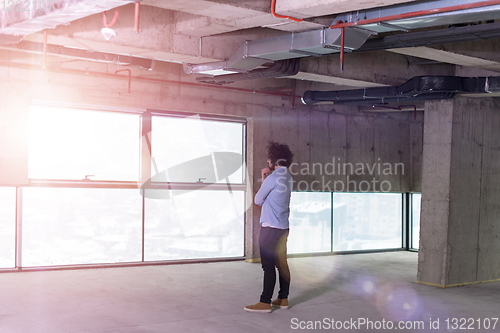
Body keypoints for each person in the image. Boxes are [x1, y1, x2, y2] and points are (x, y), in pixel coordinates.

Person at [244, 142, 294, 313]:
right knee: (282, 263)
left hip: (269, 230)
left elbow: (258, 200)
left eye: (269, 159)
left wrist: (264, 179)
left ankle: (265, 302)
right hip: (283, 228)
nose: (267, 162)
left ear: (273, 160)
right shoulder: (288, 177)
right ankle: (283, 298)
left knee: (268, 265)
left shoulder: (273, 178)